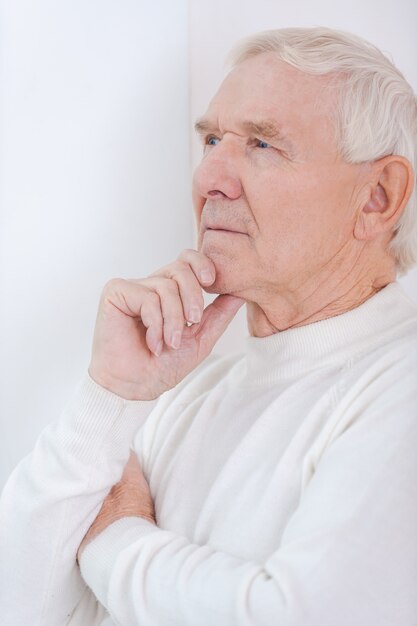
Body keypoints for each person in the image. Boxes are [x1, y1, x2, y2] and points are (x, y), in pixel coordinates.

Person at [1, 25, 417, 626]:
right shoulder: (185, 394)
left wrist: (118, 538)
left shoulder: (401, 386)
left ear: (378, 196)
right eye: (212, 140)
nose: (210, 178)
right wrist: (110, 397)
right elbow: (21, 609)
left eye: (262, 145)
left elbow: (308, 615)